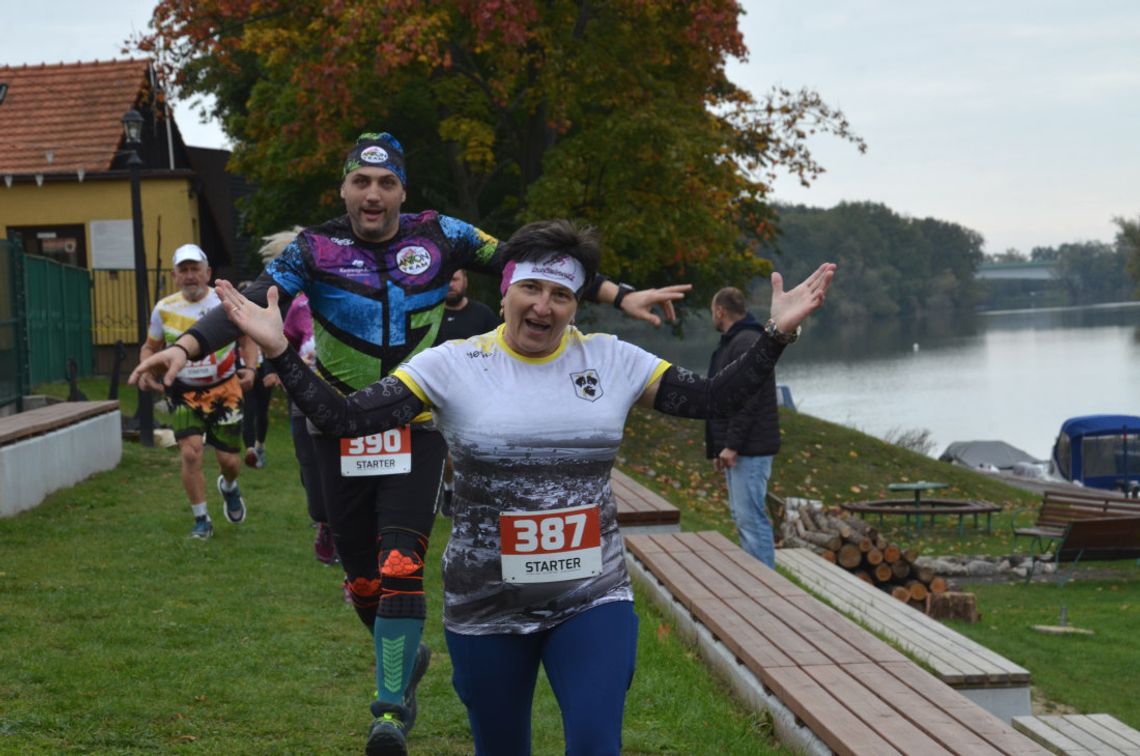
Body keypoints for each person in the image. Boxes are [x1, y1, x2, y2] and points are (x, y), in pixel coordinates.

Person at [127, 133, 691, 755]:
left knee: (402, 564)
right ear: (344, 189)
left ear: (402, 190)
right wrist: (181, 349)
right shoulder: (315, 248)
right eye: (361, 183)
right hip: (335, 421)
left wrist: (617, 293)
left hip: (415, 417)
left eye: (386, 183)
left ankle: (389, 709)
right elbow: (246, 302)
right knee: (363, 579)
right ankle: (405, 657)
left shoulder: (440, 233)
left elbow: (529, 259)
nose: (374, 194)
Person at [198, 219, 834, 755]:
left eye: (560, 294)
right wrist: (281, 351)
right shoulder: (452, 365)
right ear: (503, 292)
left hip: (592, 597)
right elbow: (344, 420)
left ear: (575, 304)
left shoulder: (611, 360)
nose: (543, 306)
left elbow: (715, 396)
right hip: (486, 608)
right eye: (529, 288)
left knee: (594, 743)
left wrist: (775, 335)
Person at [137, 243, 256, 539]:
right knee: (190, 454)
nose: (190, 276)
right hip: (183, 392)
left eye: (195, 269)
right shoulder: (164, 309)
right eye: (184, 270)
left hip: (226, 388)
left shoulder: (224, 303)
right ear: (175, 275)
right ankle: (201, 519)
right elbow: (150, 347)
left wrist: (251, 368)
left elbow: (248, 338)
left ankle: (228, 486)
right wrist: (146, 370)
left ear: (208, 273)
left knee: (229, 461)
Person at [706, 286, 782, 568]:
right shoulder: (733, 342)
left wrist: (732, 444)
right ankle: (754, 579)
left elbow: (747, 399)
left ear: (720, 311)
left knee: (751, 519)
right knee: (743, 518)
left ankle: (765, 585)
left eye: (712, 311)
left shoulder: (748, 341)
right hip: (739, 448)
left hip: (750, 448)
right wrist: (718, 447)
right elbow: (719, 396)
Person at [435, 268, 500, 516]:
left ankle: (479, 497)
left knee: (473, 452)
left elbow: (499, 350)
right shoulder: (430, 316)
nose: (450, 284)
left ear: (465, 282)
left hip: (477, 395)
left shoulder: (482, 314)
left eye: (455, 279)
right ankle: (450, 489)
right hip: (438, 394)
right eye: (446, 279)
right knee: (447, 456)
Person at [238, 281, 280, 470]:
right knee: (248, 409)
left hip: (263, 371)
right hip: (244, 371)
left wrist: (272, 372)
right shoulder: (234, 320)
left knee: (261, 411)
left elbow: (272, 347)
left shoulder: (265, 319)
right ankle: (250, 450)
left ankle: (260, 446)